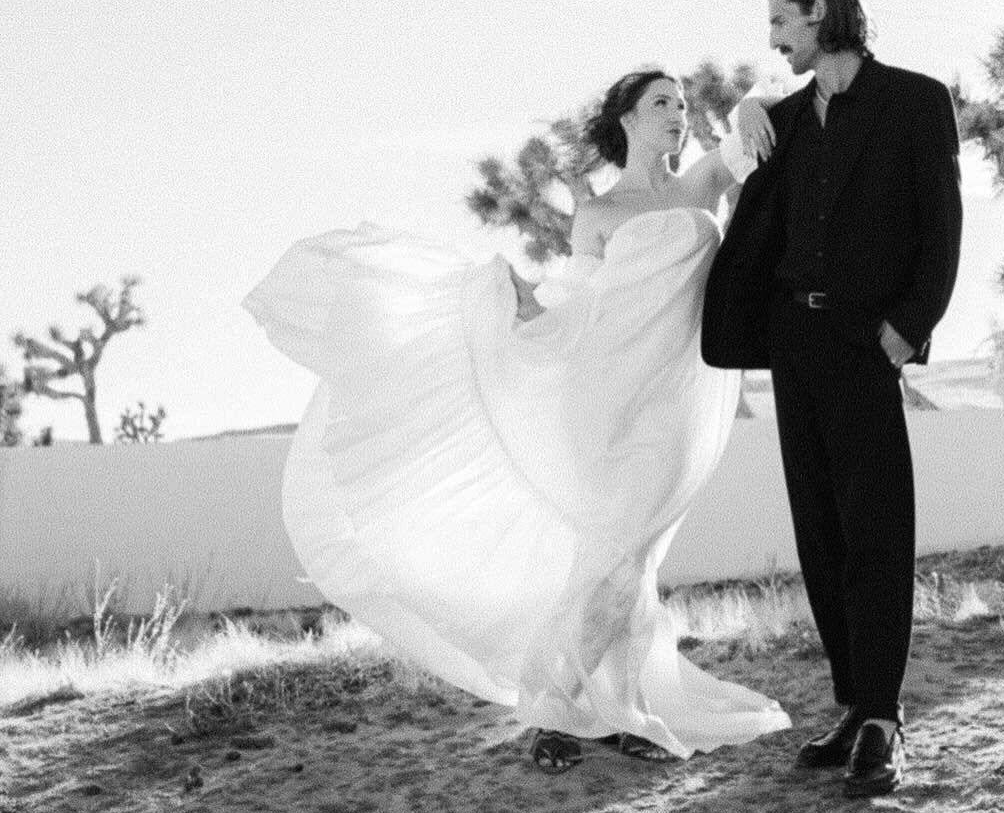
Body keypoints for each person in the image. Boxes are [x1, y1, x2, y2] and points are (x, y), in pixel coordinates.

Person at [243, 68, 789, 769]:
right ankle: (577, 710)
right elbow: (583, 304)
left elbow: (769, 119)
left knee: (632, 556)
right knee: (609, 558)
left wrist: (746, 103)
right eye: (661, 104)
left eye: (683, 104)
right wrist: (520, 314)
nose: (679, 115)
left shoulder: (704, 182)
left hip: (679, 400)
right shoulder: (595, 215)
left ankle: (584, 707)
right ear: (626, 118)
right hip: (607, 394)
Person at [701, 0, 962, 798]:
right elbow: (730, 169)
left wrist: (906, 331)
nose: (773, 37)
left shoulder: (916, 102)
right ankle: (854, 703)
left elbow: (942, 229)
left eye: (781, 19)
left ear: (821, 13)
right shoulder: (779, 117)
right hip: (792, 344)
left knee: (876, 533)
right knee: (820, 535)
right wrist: (745, 108)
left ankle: (883, 721)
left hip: (864, 348)